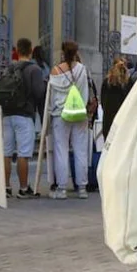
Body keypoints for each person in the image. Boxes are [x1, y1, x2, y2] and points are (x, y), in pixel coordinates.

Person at [0, 38, 45, 199]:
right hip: (25, 114)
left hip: (7, 114)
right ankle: (24, 188)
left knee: (6, 152)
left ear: (17, 50)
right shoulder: (34, 69)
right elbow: (39, 94)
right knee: (23, 154)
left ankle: (5, 186)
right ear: (31, 51)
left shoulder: (8, 68)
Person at [47, 41, 91, 200]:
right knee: (80, 150)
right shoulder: (82, 69)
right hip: (79, 113)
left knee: (61, 150)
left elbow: (51, 96)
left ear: (63, 52)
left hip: (60, 114)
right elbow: (85, 92)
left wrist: (52, 110)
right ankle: (82, 188)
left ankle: (62, 188)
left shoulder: (55, 71)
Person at [100, 56, 130, 141]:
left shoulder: (107, 82)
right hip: (122, 121)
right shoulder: (126, 83)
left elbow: (102, 102)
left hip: (108, 120)